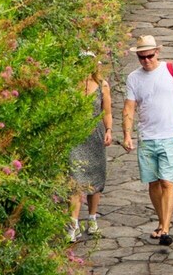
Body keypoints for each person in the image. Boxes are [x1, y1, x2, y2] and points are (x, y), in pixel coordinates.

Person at [122, 35, 173, 246]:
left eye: (149, 56)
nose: (146, 61)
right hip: (147, 138)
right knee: (153, 183)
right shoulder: (134, 78)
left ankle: (166, 229)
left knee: (167, 182)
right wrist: (127, 134)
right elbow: (129, 108)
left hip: (171, 136)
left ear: (157, 53)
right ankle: (162, 223)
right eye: (142, 57)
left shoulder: (172, 70)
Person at [66, 51, 113, 242]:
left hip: (95, 136)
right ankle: (73, 225)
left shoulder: (102, 85)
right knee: (75, 180)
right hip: (75, 136)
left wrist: (108, 130)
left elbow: (106, 112)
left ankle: (92, 219)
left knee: (95, 176)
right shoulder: (70, 85)